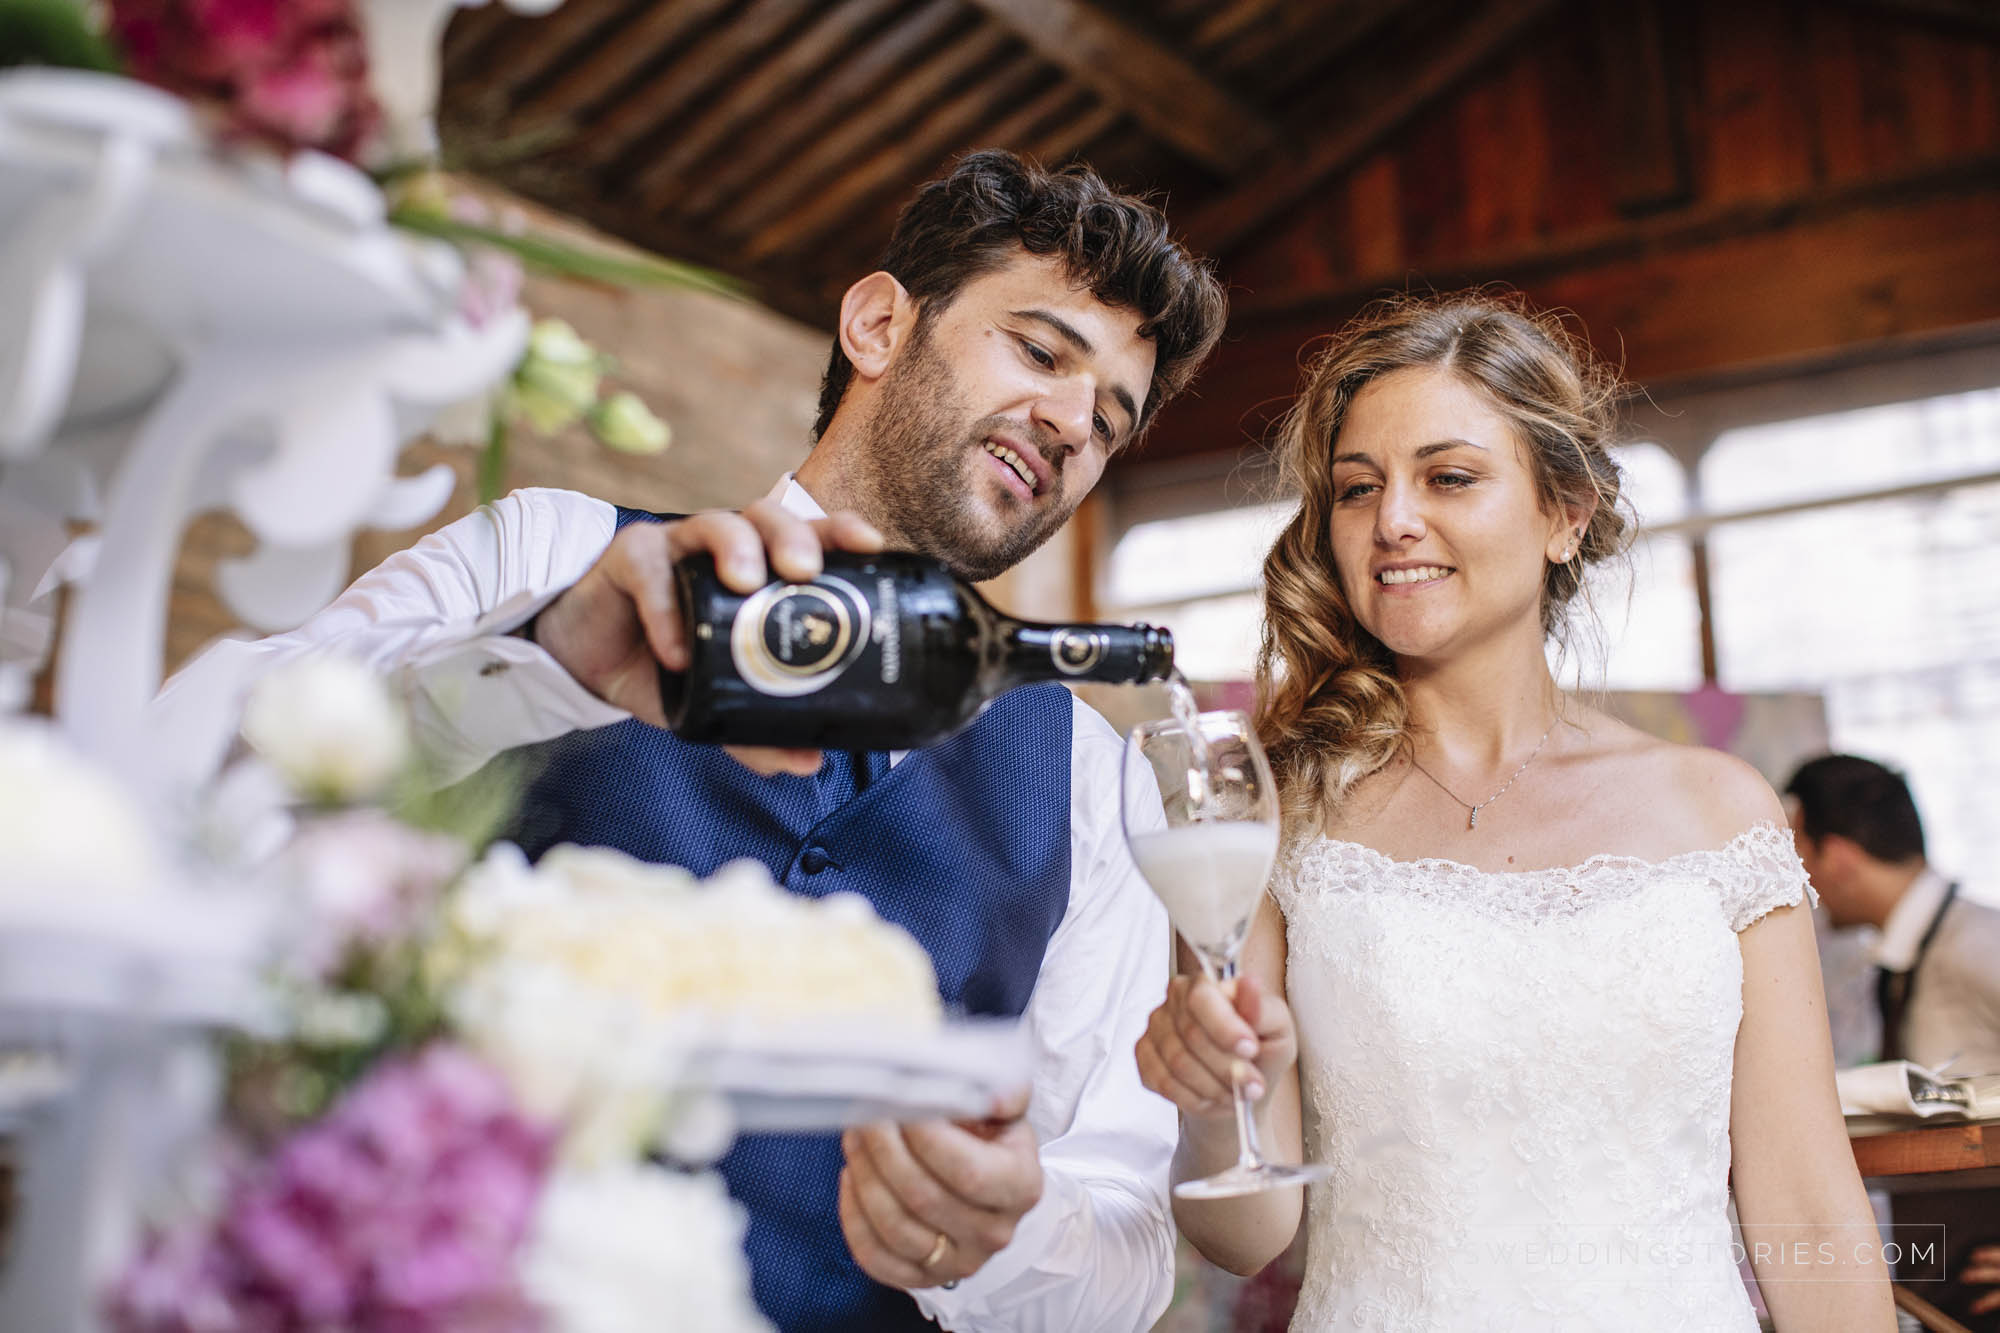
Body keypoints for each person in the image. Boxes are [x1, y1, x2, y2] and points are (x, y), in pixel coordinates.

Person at [158, 150, 1227, 1332]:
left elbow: (1125, 1224)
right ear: (878, 324)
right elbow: (187, 781)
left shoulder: (1090, 772)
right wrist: (542, 665)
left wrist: (1007, 1229)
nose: (1074, 425)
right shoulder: (549, 556)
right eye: (1040, 352)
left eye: (1111, 419)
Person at [1134, 292, 1895, 1330]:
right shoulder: (1267, 814)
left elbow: (1806, 1202)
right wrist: (1212, 1105)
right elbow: (1242, 1232)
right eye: (1357, 489)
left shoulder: (1719, 811)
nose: (1392, 519)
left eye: (1447, 477)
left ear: (1562, 512)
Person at [1786, 753, 2000, 1331]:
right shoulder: (1907, 956)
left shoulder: (1977, 946)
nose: (1797, 873)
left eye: (1798, 849)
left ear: (1840, 857)